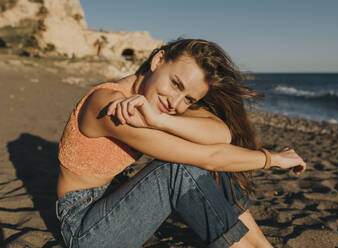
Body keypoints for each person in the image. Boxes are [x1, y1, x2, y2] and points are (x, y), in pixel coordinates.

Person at [56, 39, 306, 248]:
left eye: (188, 99)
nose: (175, 102)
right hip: (83, 230)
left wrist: (162, 120)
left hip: (112, 199)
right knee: (179, 168)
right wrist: (272, 159)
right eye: (176, 84)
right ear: (157, 60)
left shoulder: (153, 103)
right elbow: (208, 157)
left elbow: (220, 134)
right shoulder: (111, 107)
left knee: (192, 163)